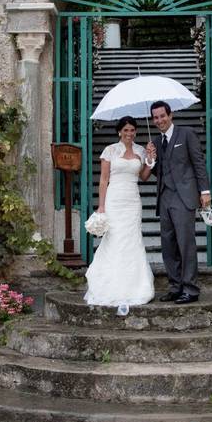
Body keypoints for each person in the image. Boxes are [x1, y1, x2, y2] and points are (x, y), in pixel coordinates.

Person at [83, 116, 155, 308]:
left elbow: (144, 177)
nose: (129, 134)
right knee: (114, 239)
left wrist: (150, 160)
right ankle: (109, 284)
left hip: (132, 200)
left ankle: (135, 286)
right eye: (125, 130)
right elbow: (104, 179)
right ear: (119, 132)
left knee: (132, 240)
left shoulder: (141, 150)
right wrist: (101, 206)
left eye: (132, 130)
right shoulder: (110, 150)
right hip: (114, 199)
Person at [145, 101, 210, 304]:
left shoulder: (186, 134)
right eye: (155, 117)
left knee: (186, 243)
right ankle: (175, 286)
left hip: (184, 196)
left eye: (162, 116)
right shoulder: (155, 141)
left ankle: (190, 289)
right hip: (164, 197)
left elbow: (198, 163)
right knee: (168, 245)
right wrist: (150, 159)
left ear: (170, 115)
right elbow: (158, 172)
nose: (159, 120)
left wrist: (205, 191)